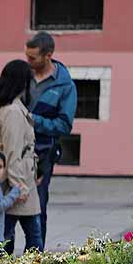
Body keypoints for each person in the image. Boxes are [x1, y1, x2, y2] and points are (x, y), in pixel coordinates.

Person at [25, 32, 77, 236]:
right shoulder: (23, 75)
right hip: (14, 149)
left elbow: (64, 125)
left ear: (48, 55)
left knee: (38, 206)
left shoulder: (65, 85)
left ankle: (36, 257)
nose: (28, 61)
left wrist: (34, 121)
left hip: (43, 153)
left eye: (33, 58)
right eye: (26, 56)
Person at [0, 59, 43, 253]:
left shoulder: (12, 108)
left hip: (19, 177)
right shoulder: (13, 111)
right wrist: (18, 186)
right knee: (31, 237)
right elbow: (12, 152)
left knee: (8, 235)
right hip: (17, 180)